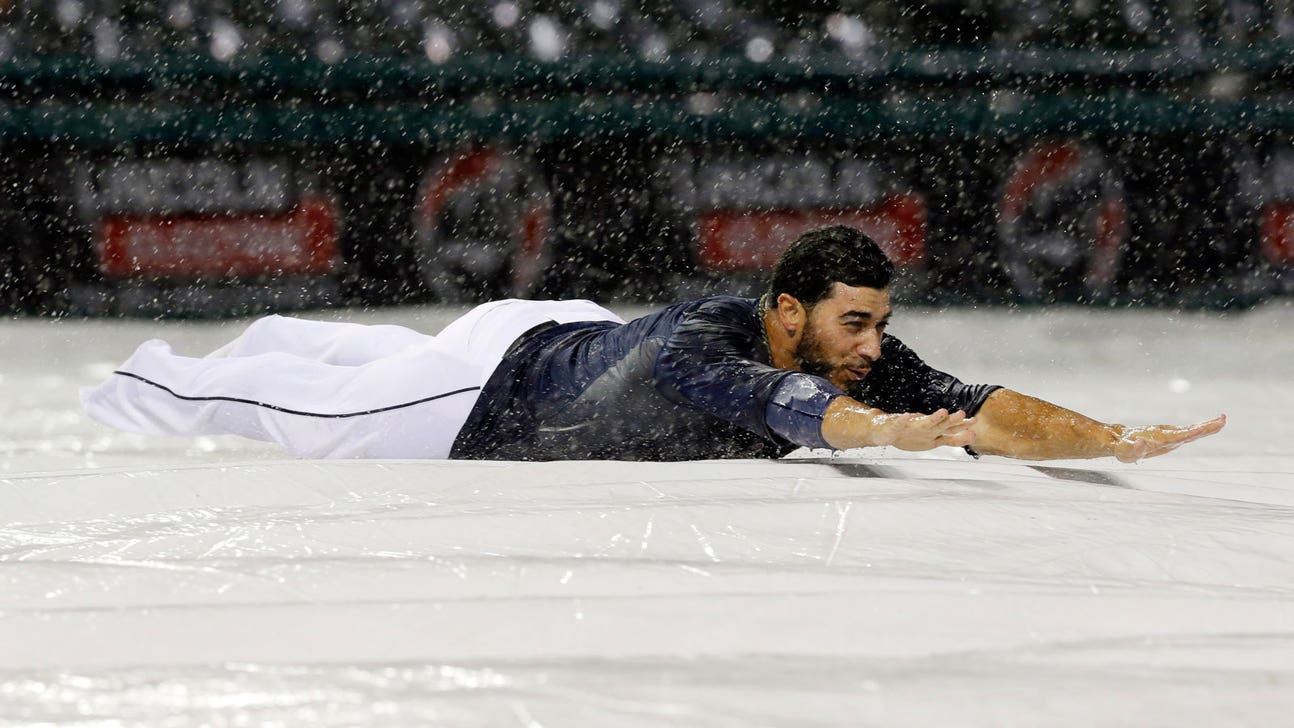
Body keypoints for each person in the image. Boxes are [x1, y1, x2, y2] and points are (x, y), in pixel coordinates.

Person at [82, 225, 1225, 462]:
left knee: (355, 357)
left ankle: (284, 331)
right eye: (853, 318)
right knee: (295, 408)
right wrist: (883, 432)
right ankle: (149, 381)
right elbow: (790, 412)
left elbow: (981, 402)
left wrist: (1111, 435)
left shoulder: (848, 350)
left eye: (878, 319)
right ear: (787, 306)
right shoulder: (708, 342)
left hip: (561, 331)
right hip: (482, 394)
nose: (875, 342)